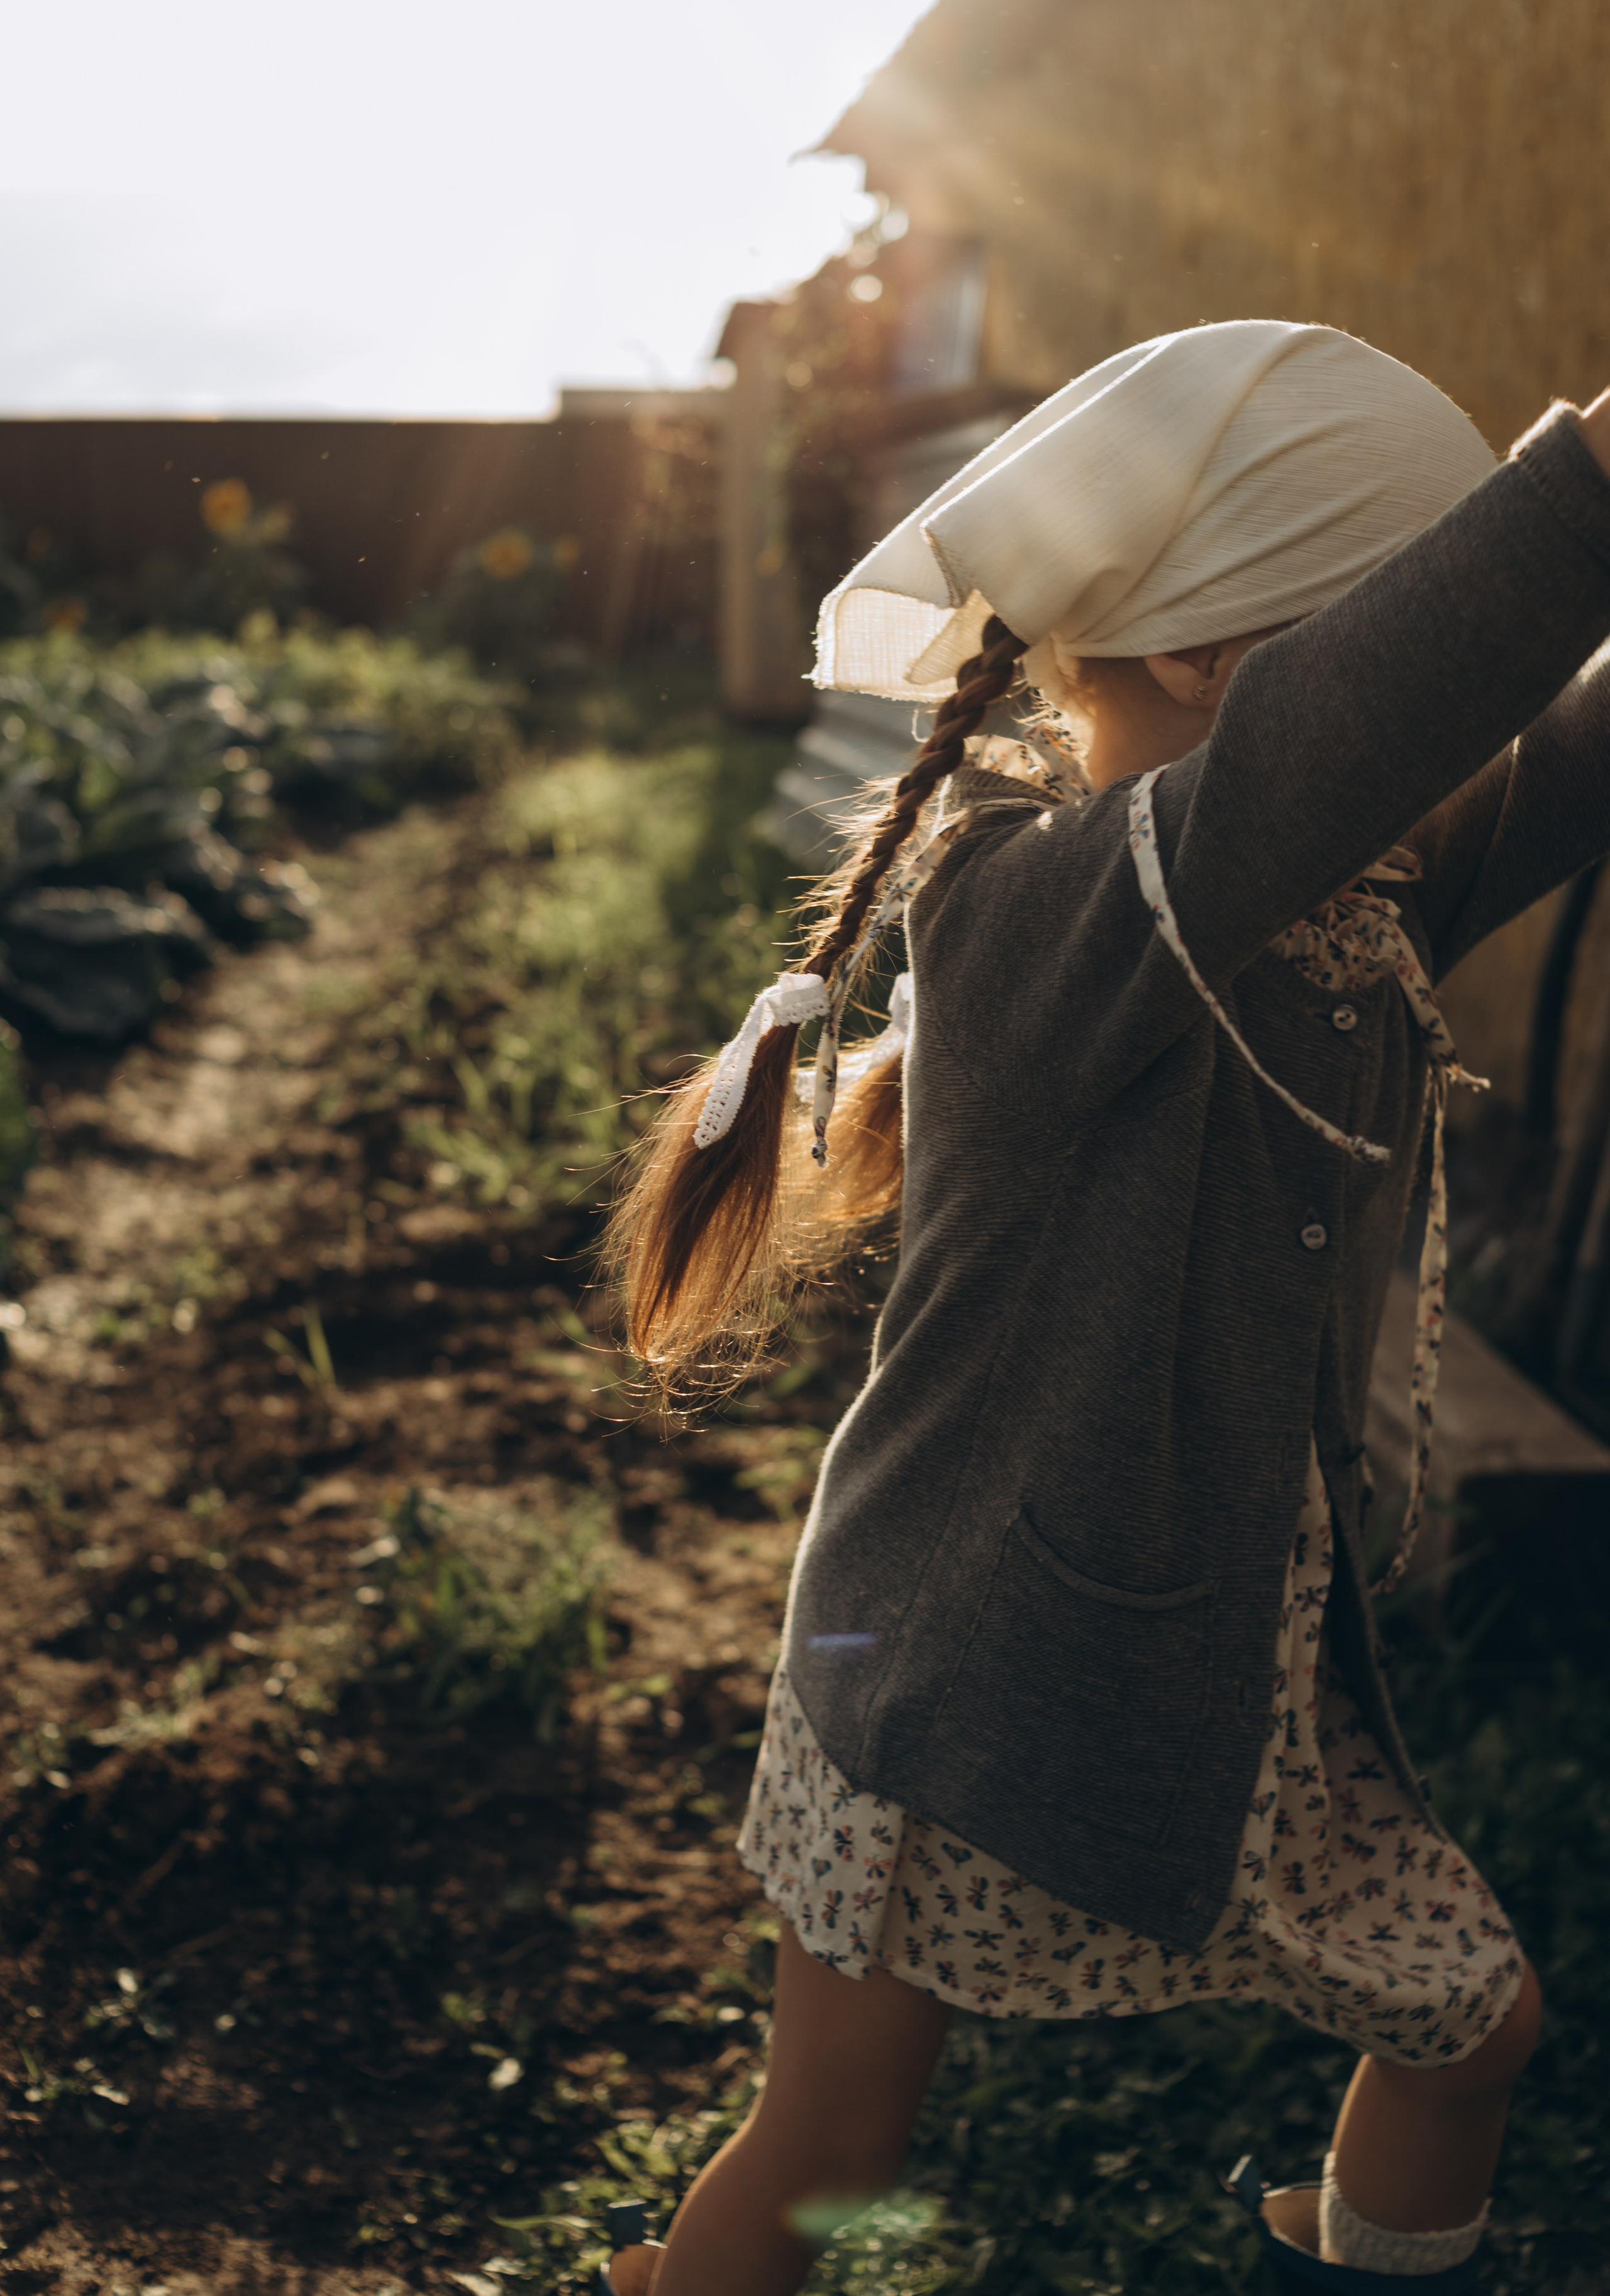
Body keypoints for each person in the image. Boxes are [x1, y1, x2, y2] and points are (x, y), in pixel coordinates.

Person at [600, 320, 1610, 2295]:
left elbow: (1566, 745)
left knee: (1472, 2029)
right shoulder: (1045, 910)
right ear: (1224, 667)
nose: (1457, 732)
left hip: (1228, 1683)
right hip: (961, 1685)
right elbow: (1415, 691)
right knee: (824, 2148)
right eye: (1398, 662)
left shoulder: (1353, 899)